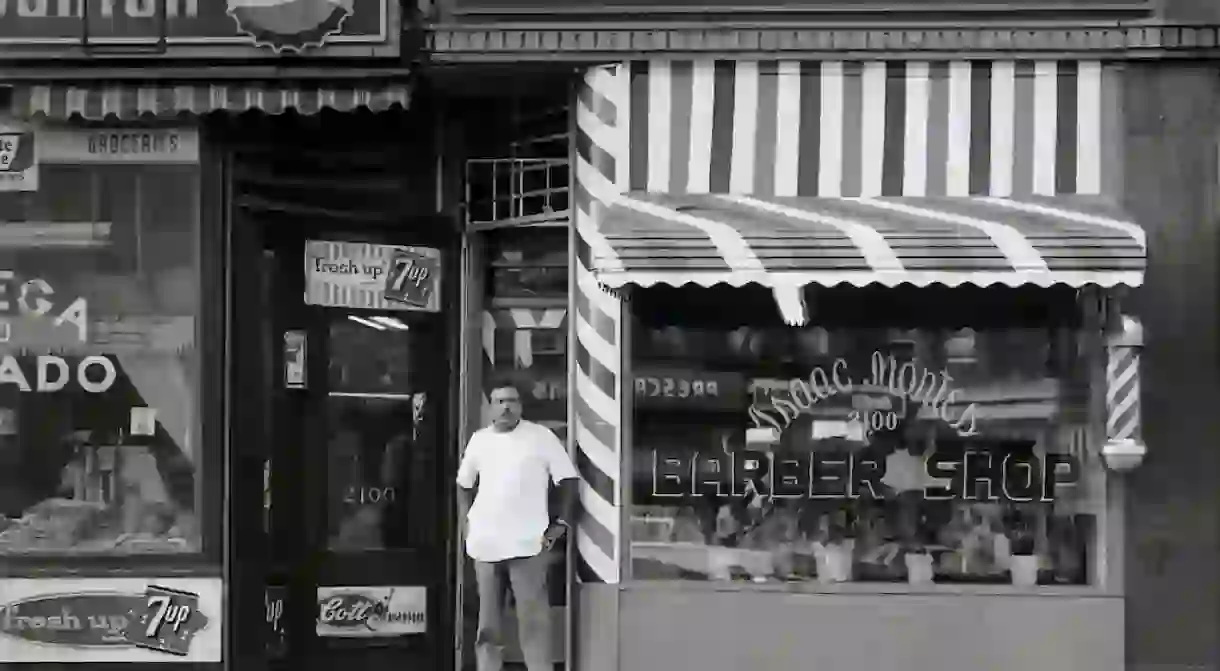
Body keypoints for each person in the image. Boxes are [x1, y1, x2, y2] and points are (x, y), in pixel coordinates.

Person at [456, 382, 578, 671]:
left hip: (528, 544)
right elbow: (463, 485)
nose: (505, 407)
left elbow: (569, 482)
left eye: (511, 401)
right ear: (491, 408)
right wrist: (466, 525)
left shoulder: (540, 437)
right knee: (488, 625)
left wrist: (560, 524)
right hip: (485, 544)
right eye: (499, 401)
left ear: (521, 406)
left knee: (533, 621)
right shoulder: (479, 439)